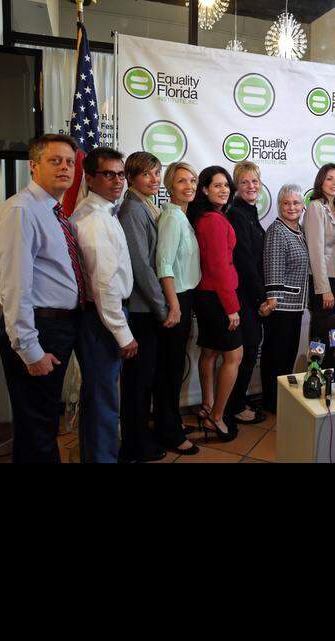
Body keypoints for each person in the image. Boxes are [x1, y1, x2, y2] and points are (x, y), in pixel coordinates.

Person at [0, 134, 85, 463]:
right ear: (34, 167)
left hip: (56, 326)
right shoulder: (22, 210)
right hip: (38, 328)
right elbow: (14, 287)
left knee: (43, 423)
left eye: (70, 162)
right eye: (55, 161)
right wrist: (30, 349)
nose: (65, 167)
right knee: (37, 426)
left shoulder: (53, 211)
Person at [68, 147, 142, 462]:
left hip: (102, 316)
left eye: (121, 174)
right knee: (103, 400)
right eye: (108, 174)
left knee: (100, 398)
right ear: (89, 177)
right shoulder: (94, 219)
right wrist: (122, 333)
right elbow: (104, 284)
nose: (117, 181)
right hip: (102, 319)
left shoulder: (103, 211)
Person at [117, 151, 170, 460]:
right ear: (132, 177)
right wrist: (163, 307)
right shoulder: (132, 210)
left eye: (157, 173)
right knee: (138, 382)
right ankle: (135, 445)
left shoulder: (147, 205)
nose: (154, 179)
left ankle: (142, 436)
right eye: (147, 174)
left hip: (149, 308)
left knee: (147, 379)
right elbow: (141, 265)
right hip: (142, 310)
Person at [187, 166, 242, 443]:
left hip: (207, 296)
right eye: (216, 185)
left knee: (209, 352)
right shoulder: (213, 221)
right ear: (204, 190)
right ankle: (217, 416)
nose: (223, 190)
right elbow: (219, 267)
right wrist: (231, 307)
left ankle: (207, 406)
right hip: (217, 297)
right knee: (234, 355)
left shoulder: (208, 217)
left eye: (226, 185)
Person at [153, 160, 202, 456]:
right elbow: (164, 264)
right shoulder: (171, 218)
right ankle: (168, 432)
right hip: (177, 299)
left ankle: (168, 422)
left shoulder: (181, 216)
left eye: (193, 181)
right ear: (170, 186)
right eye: (182, 181)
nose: (189, 186)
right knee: (169, 370)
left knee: (173, 368)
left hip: (184, 298)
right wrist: (173, 305)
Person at [258, 184, 309, 414]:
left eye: (296, 202)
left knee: (286, 356)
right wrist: (273, 299)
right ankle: (272, 402)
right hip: (280, 307)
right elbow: (273, 266)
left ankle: (281, 399)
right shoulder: (277, 230)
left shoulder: (299, 230)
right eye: (286, 203)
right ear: (279, 206)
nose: (291, 207)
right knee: (275, 357)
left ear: (303, 206)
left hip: (295, 305)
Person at [225, 161, 267, 426]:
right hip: (244, 297)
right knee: (247, 351)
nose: (251, 186)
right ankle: (235, 406)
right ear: (236, 187)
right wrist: (260, 297)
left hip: (250, 296)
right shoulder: (237, 214)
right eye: (244, 182)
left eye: (254, 181)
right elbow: (245, 262)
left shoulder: (249, 212)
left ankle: (238, 399)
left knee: (250, 351)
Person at [303, 162, 335, 344]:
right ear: (320, 182)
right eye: (329, 178)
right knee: (321, 333)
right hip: (324, 281)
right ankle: (315, 370)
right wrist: (324, 289)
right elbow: (316, 251)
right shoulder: (316, 207)